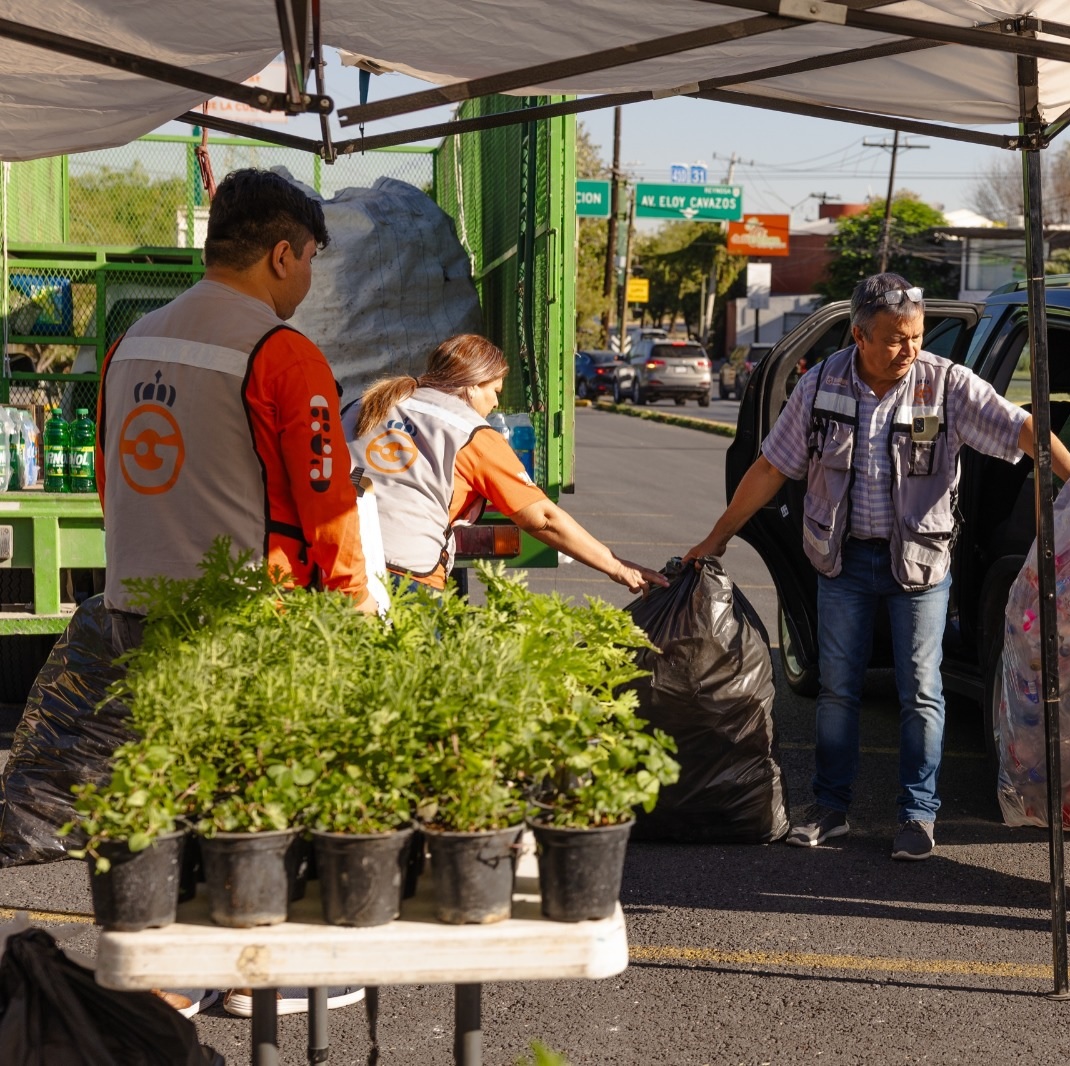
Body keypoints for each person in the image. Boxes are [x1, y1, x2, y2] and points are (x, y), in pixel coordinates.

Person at [685, 272, 1070, 862]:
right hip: (842, 562)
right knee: (837, 691)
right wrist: (716, 538)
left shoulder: (947, 384)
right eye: (894, 338)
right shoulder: (819, 386)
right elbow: (770, 468)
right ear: (859, 336)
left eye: (915, 335)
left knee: (922, 691)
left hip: (920, 567)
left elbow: (1023, 429)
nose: (909, 348)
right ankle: (830, 808)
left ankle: (917, 813)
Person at [95, 167, 371, 1018]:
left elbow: (112, 481)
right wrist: (355, 610)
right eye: (311, 259)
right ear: (283, 254)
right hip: (248, 618)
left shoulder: (132, 341)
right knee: (257, 795)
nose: (309, 278)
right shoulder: (282, 354)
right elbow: (328, 506)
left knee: (166, 787)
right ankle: (257, 976)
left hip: (135, 605)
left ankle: (171, 980)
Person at [345, 334, 666, 594]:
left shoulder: (363, 405)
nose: (496, 402)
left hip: (338, 561)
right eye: (494, 390)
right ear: (472, 385)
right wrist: (616, 566)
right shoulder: (471, 432)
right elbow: (543, 518)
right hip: (405, 572)